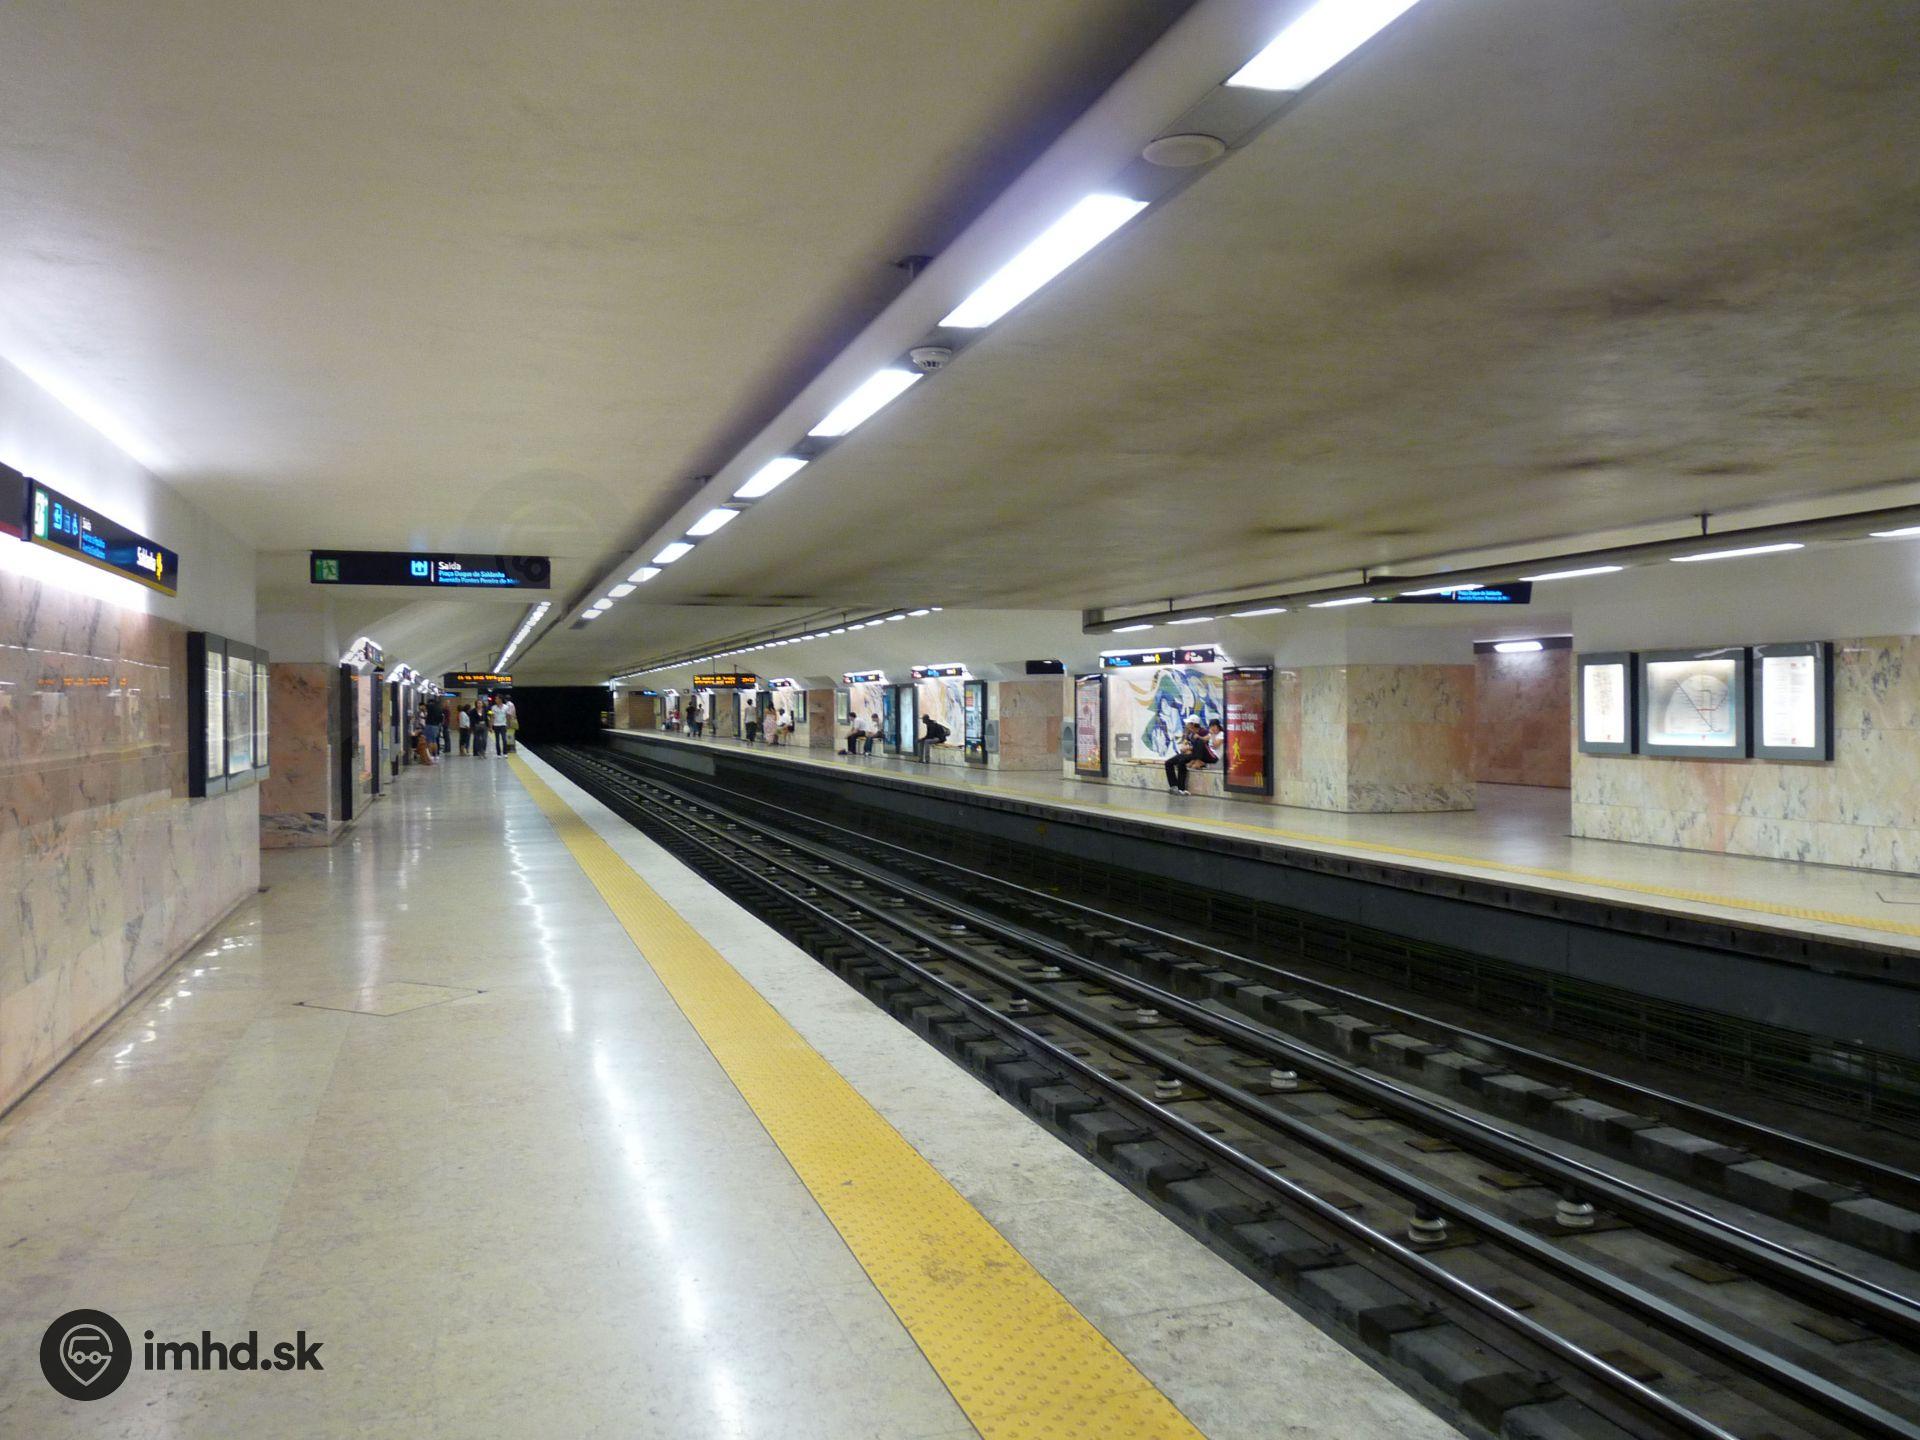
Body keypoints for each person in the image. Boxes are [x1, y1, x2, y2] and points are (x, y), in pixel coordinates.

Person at [1164, 720, 1214, 796]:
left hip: (1197, 755)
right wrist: (1185, 746)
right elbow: (1185, 743)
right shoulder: (1189, 733)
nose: (1187, 725)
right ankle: (1174, 786)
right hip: (1189, 753)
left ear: (1193, 724)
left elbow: (1206, 743)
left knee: (1181, 762)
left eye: (1188, 723)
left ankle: (1181, 788)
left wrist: (1191, 747)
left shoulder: (1203, 732)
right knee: (1168, 763)